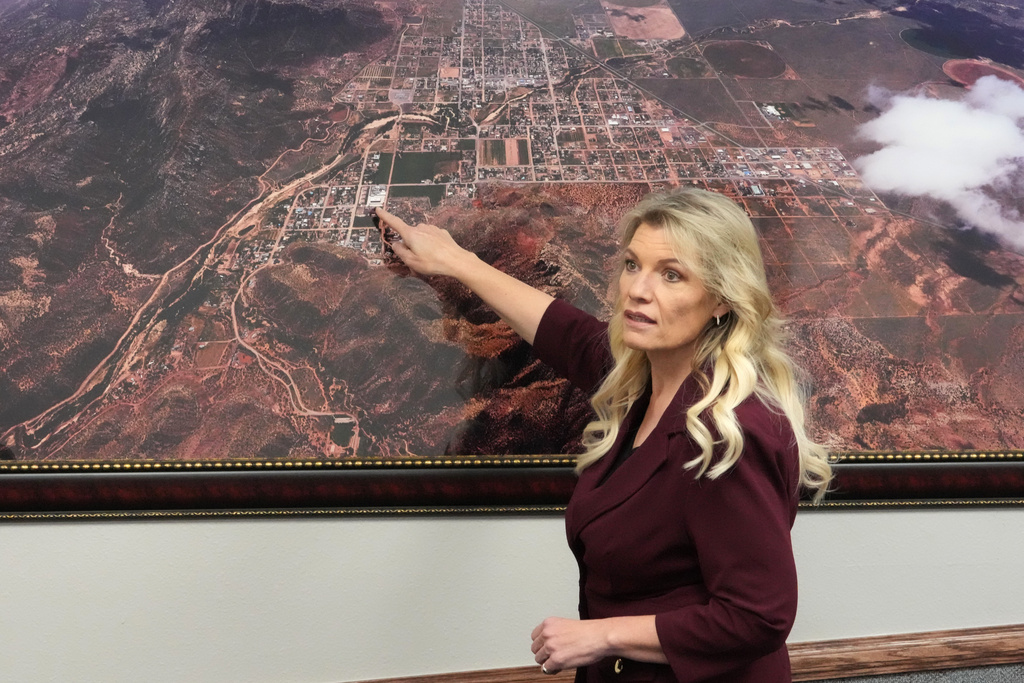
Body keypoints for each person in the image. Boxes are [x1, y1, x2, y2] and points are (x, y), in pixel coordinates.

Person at [373, 187, 832, 683]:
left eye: (672, 275)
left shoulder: (728, 434)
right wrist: (458, 262)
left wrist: (603, 634)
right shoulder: (649, 381)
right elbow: (567, 335)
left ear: (722, 299)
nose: (637, 289)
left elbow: (758, 616)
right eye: (633, 265)